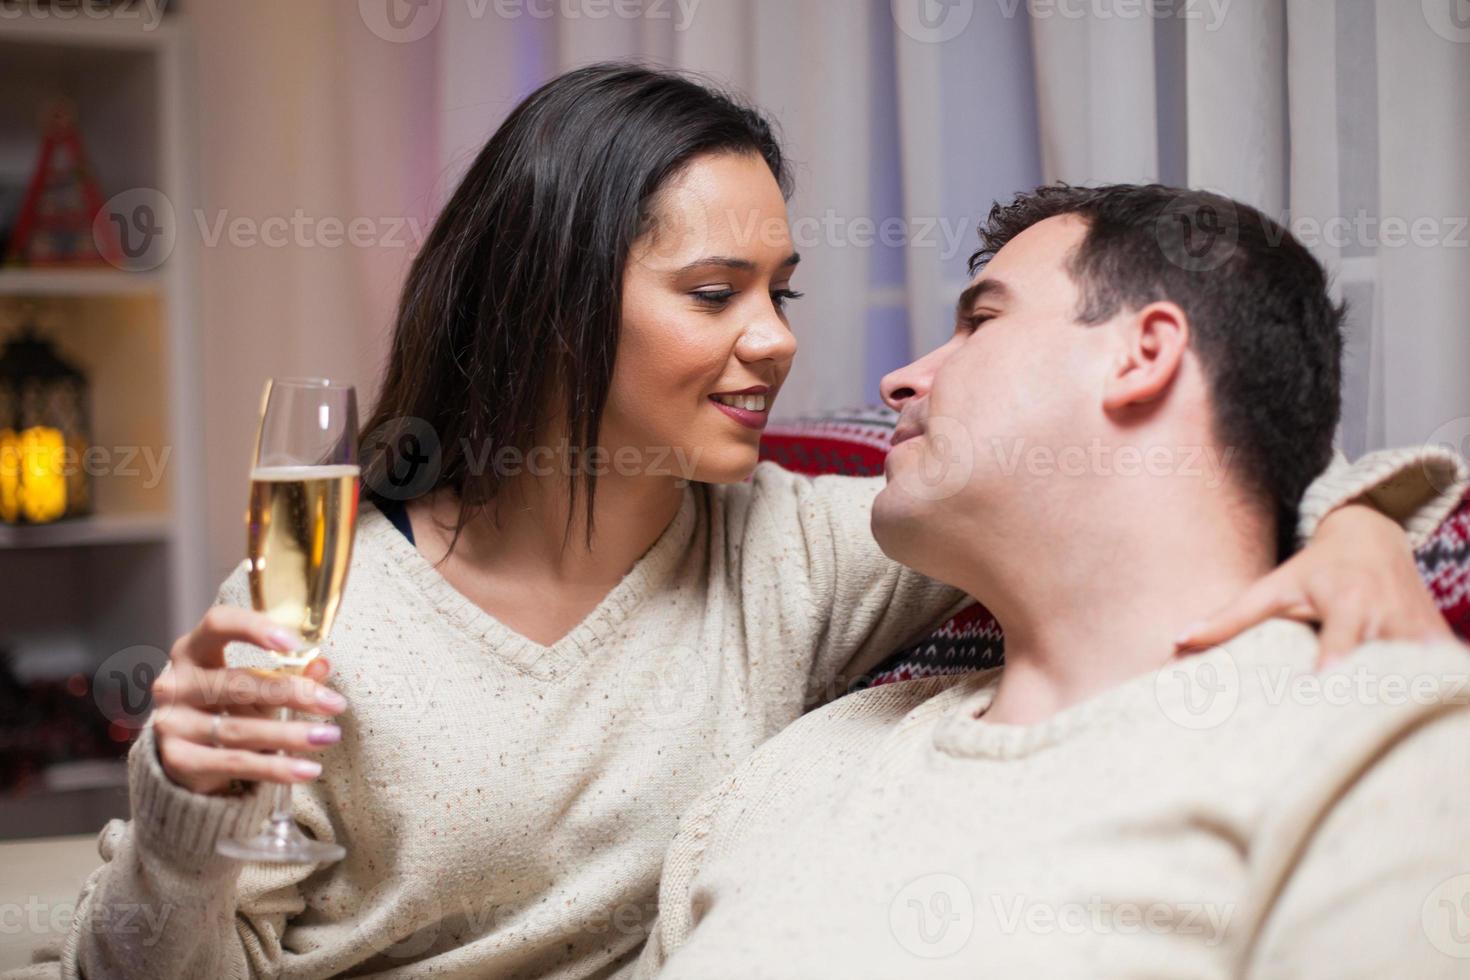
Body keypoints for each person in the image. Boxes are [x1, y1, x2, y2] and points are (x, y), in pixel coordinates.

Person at [6, 71, 1457, 980]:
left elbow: (1161, 477)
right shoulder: (327, 615)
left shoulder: (804, 547)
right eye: (714, 294)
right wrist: (185, 825)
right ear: (552, 303)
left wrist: (1354, 534)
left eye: (785, 292)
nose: (771, 342)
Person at [635, 184, 1470, 979]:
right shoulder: (788, 774)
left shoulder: (1377, 738)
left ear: (1145, 355)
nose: (899, 381)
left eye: (981, 321)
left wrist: (1359, 518)